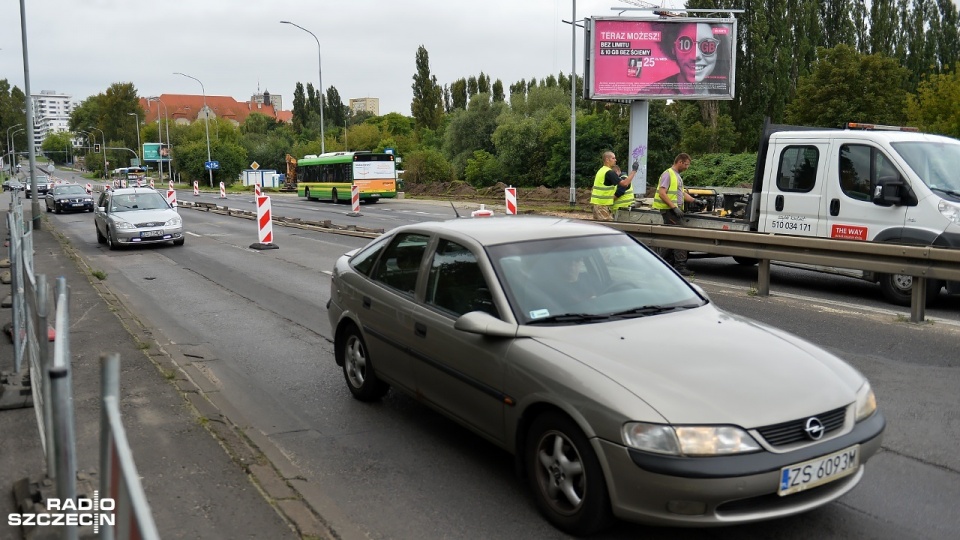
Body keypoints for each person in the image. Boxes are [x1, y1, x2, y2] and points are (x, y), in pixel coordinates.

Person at [653, 153, 697, 277]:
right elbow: (662, 193)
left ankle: (661, 264)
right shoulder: (668, 174)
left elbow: (681, 193)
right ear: (680, 162)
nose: (687, 167)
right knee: (680, 236)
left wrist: (694, 200)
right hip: (669, 211)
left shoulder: (676, 176)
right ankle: (680, 266)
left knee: (670, 238)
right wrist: (674, 207)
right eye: (686, 164)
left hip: (672, 210)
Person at [658, 22, 731, 95]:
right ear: (673, 48)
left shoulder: (727, 90)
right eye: (686, 44)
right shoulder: (654, 90)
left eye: (707, 46)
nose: (695, 56)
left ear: (718, 51)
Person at [590, 151, 639, 221]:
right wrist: (634, 170)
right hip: (602, 205)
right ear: (607, 160)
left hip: (597, 204)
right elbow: (625, 184)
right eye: (613, 158)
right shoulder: (609, 172)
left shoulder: (601, 170)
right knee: (609, 228)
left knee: (600, 227)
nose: (615, 160)